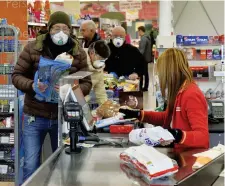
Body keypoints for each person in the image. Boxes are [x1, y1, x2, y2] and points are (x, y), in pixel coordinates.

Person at [12, 11, 92, 181]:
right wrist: (32, 85)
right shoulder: (33, 48)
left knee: (65, 162)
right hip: (34, 115)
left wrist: (70, 87)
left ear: (70, 30)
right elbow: (17, 75)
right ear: (48, 29)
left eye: (65, 28)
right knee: (31, 163)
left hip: (64, 119)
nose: (61, 32)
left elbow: (87, 83)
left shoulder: (78, 52)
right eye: (56, 28)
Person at [120, 48, 209, 149]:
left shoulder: (191, 94)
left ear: (169, 71)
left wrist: (178, 135)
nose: (159, 76)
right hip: (180, 153)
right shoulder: (179, 91)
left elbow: (202, 137)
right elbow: (166, 118)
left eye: (160, 72)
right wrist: (139, 114)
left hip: (190, 158)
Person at [86, 40, 111, 105]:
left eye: (104, 60)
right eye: (100, 58)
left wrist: (106, 107)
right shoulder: (78, 59)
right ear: (92, 53)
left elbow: (101, 92)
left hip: (83, 103)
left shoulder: (99, 69)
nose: (101, 62)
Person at [138, 26, 151, 91]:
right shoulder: (147, 37)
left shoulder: (143, 39)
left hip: (143, 58)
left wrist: (137, 56)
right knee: (146, 73)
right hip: (147, 58)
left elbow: (141, 51)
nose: (138, 33)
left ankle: (141, 87)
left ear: (140, 30)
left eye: (138, 31)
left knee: (141, 73)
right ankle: (145, 87)